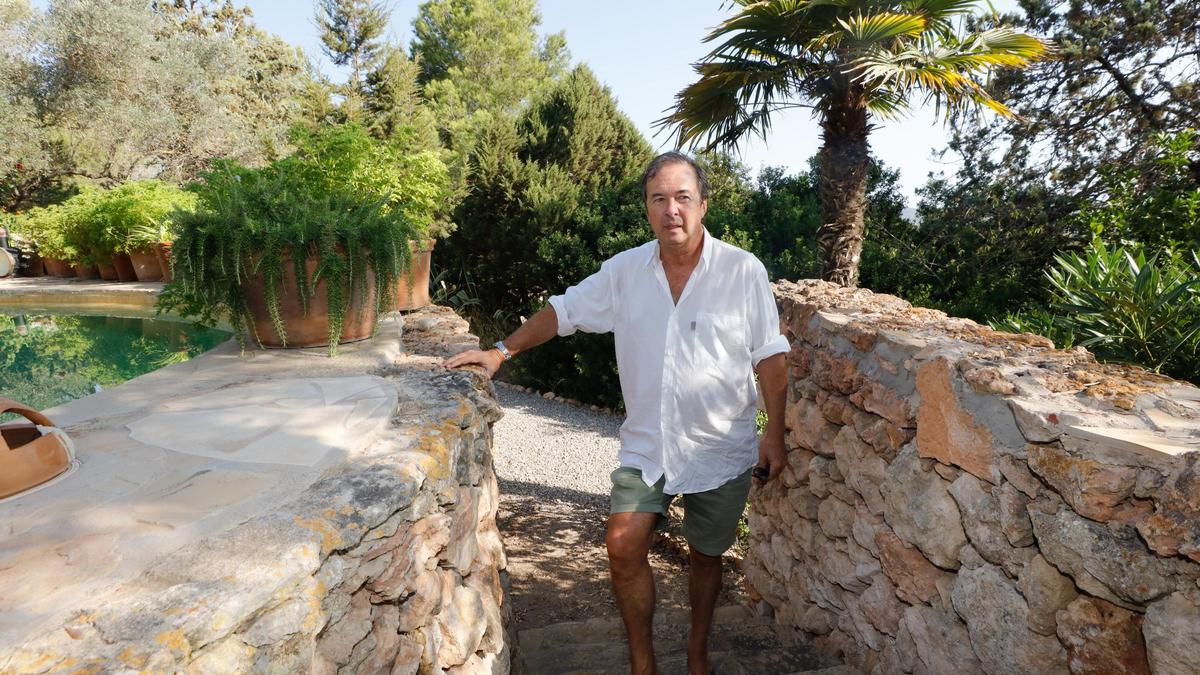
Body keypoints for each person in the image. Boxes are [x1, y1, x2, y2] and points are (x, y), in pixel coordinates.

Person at [444, 151, 790, 675]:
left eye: (682, 197)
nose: (671, 209)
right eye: (659, 199)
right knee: (622, 544)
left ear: (703, 205)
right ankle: (642, 663)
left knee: (706, 555)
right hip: (646, 445)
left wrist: (776, 436)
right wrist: (500, 352)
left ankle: (698, 653)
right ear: (648, 209)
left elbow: (771, 355)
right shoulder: (626, 271)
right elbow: (565, 310)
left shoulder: (743, 271)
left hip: (721, 445)